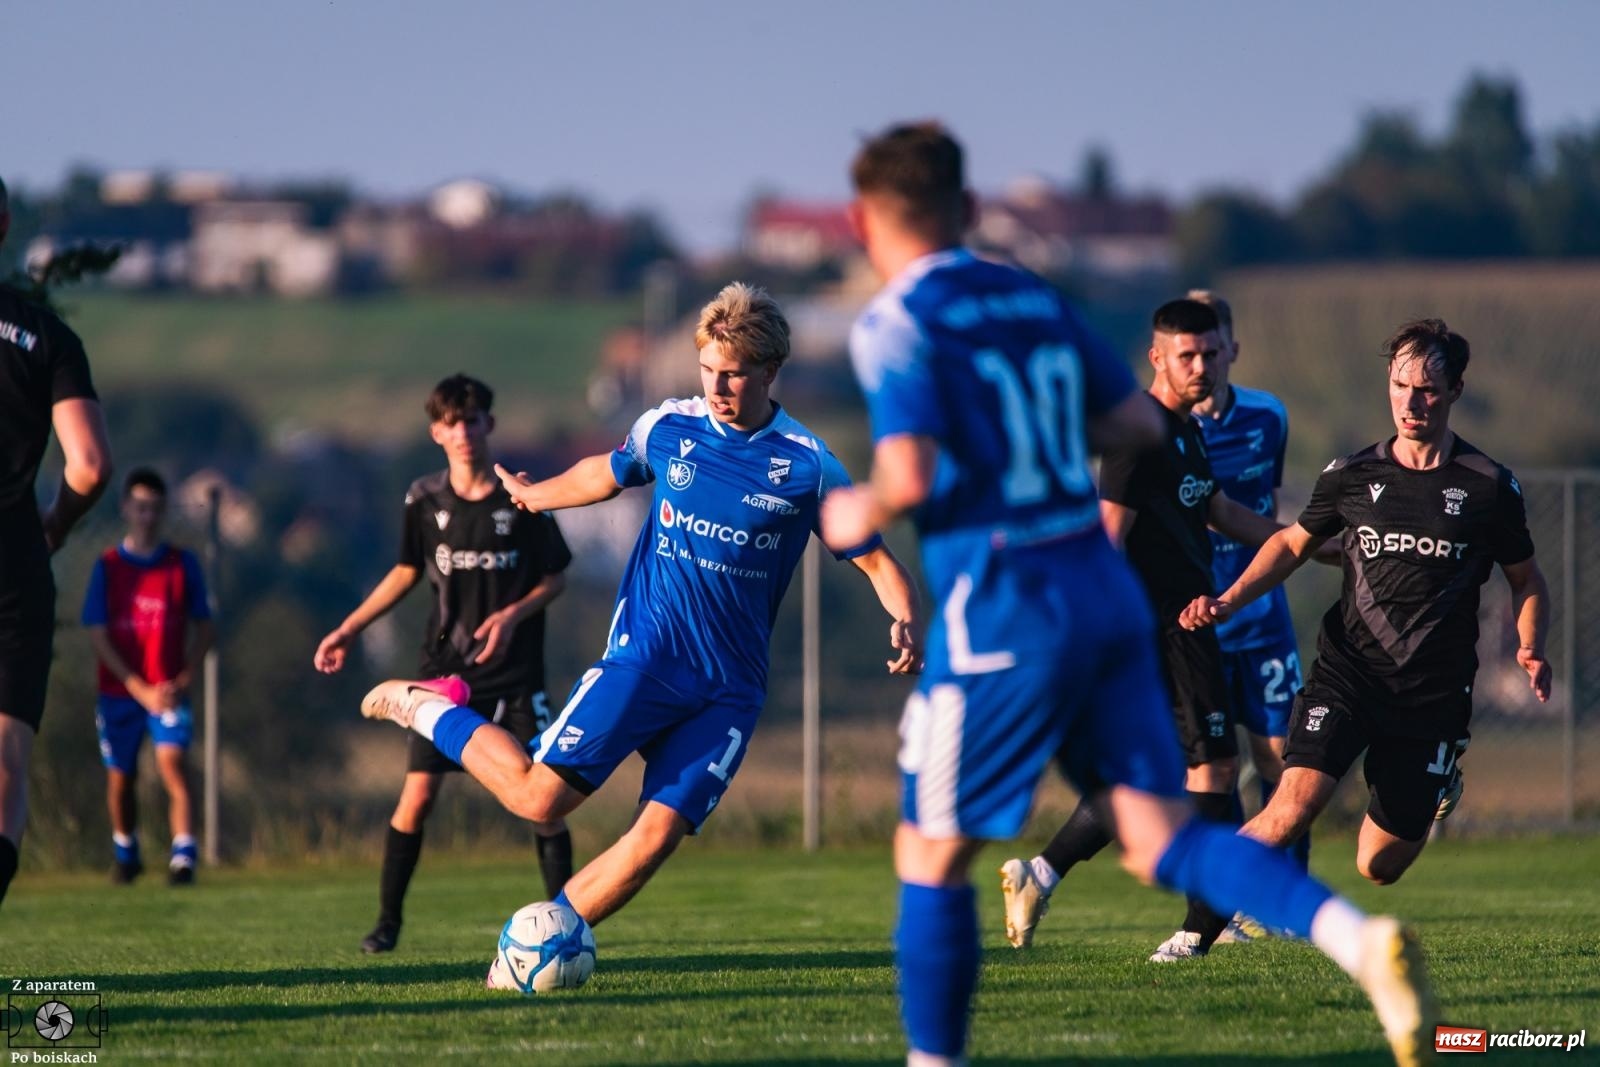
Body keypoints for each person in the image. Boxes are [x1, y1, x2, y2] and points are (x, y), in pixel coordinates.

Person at [819, 121, 1435, 1067]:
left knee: (929, 855)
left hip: (1005, 610)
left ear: (862, 222)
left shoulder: (895, 319)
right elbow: (1121, 419)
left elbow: (906, 471)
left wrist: (855, 512)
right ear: (972, 210)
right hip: (1105, 595)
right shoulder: (1031, 297)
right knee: (1159, 829)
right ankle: (1357, 940)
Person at [358, 283, 922, 946]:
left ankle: (539, 944)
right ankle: (424, 705)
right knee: (541, 799)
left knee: (655, 836)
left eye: (735, 373)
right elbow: (607, 470)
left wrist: (905, 617)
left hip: (730, 690)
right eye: (709, 370)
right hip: (646, 659)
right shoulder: (669, 428)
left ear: (771, 370)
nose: (718, 386)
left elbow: (876, 560)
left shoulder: (806, 465)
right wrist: (538, 498)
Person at [1181, 317, 1550, 890]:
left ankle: (1438, 776)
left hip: (1431, 692)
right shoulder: (1351, 475)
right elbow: (1290, 544)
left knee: (1376, 866)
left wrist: (1529, 646)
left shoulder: (1487, 487)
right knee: (1291, 806)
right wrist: (1227, 601)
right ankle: (1195, 928)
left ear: (1455, 391)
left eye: (1427, 388)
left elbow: (1526, 580)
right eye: (1401, 386)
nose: (1412, 401)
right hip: (1348, 674)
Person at [999, 296, 1290, 962]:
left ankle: (1039, 874)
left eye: (1211, 352)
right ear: (1156, 356)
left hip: (1180, 626)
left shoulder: (1181, 431)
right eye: (1186, 354)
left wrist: (1298, 542)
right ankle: (1202, 927)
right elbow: (1107, 539)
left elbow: (1214, 509)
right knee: (1214, 766)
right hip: (1165, 628)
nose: (1202, 365)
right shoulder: (1139, 433)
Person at [314, 374, 575, 954]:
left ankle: (567, 925)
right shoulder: (424, 499)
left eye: (473, 419)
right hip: (444, 677)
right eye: (451, 422)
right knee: (419, 797)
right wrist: (350, 628)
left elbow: (555, 577)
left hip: (515, 674)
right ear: (437, 432)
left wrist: (511, 616)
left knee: (543, 802)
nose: (463, 432)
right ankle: (387, 925)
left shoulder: (522, 498)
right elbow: (406, 572)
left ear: (490, 425)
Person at [0, 174, 115, 909]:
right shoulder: (45, 335)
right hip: (13, 556)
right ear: (5, 224)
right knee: (5, 759)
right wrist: (56, 524)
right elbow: (90, 465)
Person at [81, 468, 213, 885]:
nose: (147, 516)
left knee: (173, 764)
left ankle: (184, 856)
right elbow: (98, 634)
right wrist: (137, 687)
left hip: (168, 693)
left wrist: (184, 678)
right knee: (121, 777)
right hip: (121, 693)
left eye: (155, 508)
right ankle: (126, 851)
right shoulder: (108, 566)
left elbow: (206, 627)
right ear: (126, 509)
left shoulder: (181, 564)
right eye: (140, 507)